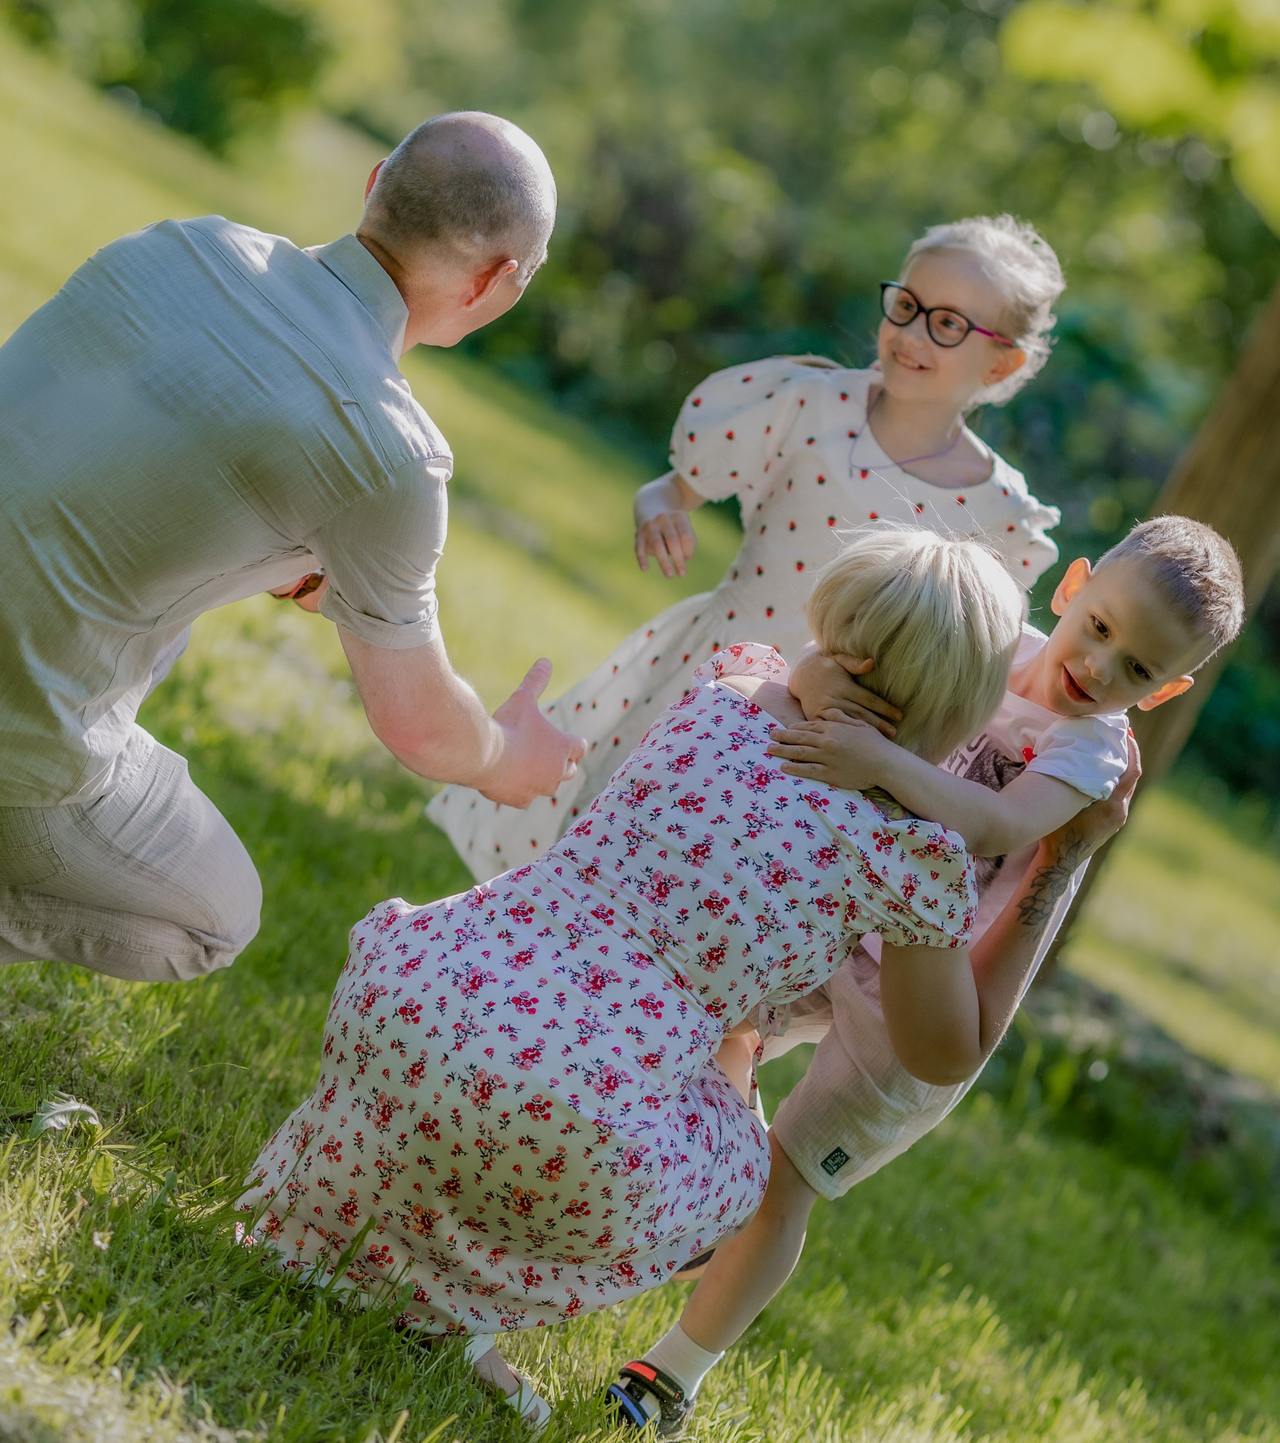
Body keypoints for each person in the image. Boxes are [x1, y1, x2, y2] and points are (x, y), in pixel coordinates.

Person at [0, 113, 589, 1031]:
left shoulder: (187, 246)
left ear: (373, 183)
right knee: (213, 915)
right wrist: (506, 759)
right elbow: (422, 731)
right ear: (499, 281)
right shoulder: (388, 450)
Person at [233, 529, 1030, 1426]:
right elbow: (940, 1050)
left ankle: (308, 1237)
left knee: (501, 1081)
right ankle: (452, 1318)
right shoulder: (906, 852)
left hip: (423, 989)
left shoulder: (730, 690)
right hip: (570, 1106)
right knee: (736, 1169)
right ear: (962, 715)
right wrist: (1052, 868)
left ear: (838, 635)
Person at [606, 517, 1243, 1433]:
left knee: (789, 1176)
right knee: (713, 1027)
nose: (1101, 669)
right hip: (839, 914)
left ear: (1168, 689)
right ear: (1072, 588)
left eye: (1138, 670)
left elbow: (990, 827)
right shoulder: (991, 648)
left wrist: (881, 762)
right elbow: (850, 673)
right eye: (1100, 628)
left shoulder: (1090, 751)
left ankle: (670, 1375)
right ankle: (709, 1184)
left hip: (929, 981)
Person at [424, 215, 1067, 882]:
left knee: (718, 892)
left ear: (1003, 360)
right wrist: (661, 513)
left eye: (948, 324)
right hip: (708, 682)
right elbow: (668, 491)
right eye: (907, 306)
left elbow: (977, 667)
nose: (911, 333)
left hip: (832, 744)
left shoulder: (1000, 515)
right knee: (611, 846)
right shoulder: (810, 408)